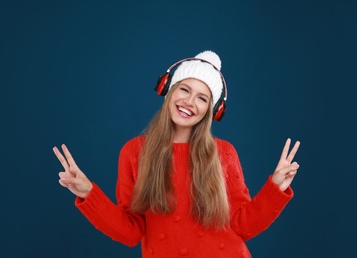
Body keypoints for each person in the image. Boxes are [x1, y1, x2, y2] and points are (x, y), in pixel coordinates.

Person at [53, 51, 300, 258]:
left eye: (202, 98)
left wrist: (275, 189)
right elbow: (131, 232)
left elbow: (242, 225)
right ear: (168, 90)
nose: (190, 102)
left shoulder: (224, 153)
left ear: (211, 110)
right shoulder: (134, 151)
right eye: (185, 89)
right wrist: (88, 194)